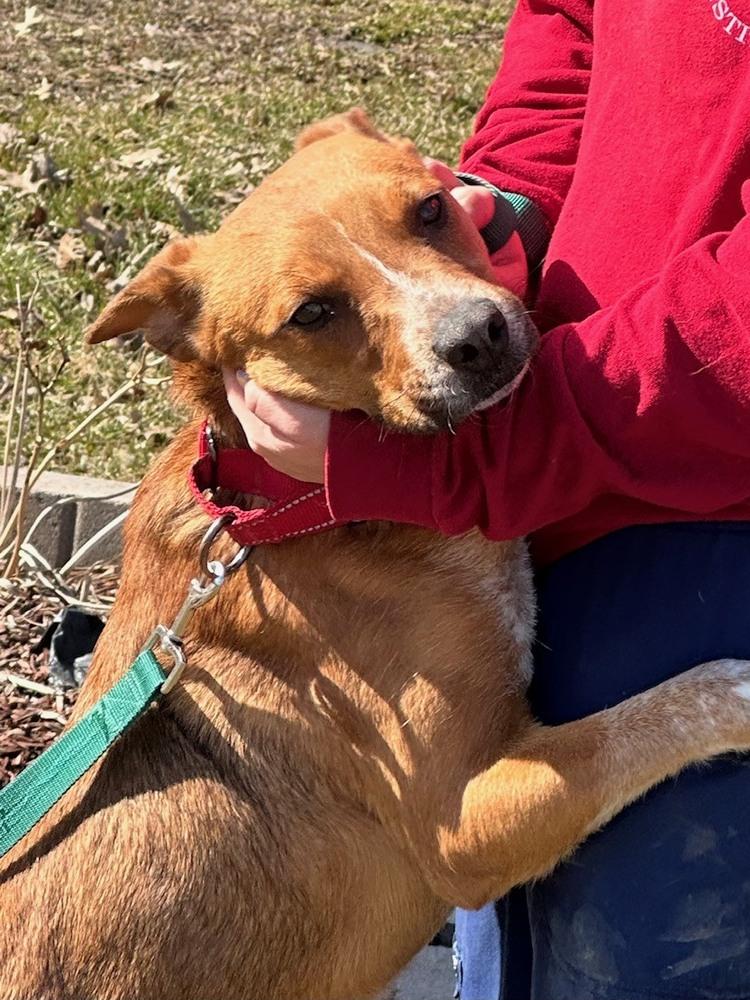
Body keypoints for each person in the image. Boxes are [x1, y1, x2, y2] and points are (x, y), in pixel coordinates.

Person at [224, 2, 750, 997]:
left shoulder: (427, 468)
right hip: (544, 476)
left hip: (705, 520)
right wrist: (494, 210)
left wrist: (431, 465)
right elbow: (571, 30)